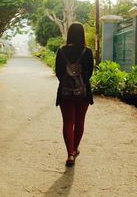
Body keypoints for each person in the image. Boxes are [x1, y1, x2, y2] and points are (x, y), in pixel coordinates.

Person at [55, 22, 94, 167]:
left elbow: (58, 72)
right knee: (79, 122)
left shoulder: (61, 51)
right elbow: (90, 73)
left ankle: (69, 154)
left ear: (69, 34)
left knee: (67, 122)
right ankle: (75, 148)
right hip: (83, 92)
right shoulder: (87, 51)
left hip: (65, 92)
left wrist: (68, 83)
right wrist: (80, 83)